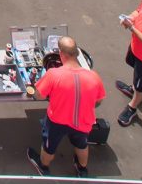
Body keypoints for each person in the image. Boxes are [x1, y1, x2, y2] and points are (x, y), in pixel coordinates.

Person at [28, 36, 105, 177]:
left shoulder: (53, 74)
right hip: (83, 121)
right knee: (81, 144)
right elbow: (98, 101)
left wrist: (33, 89)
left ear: (61, 54)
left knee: (49, 147)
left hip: (57, 121)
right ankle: (82, 169)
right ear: (77, 53)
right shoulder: (94, 76)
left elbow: (39, 95)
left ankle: (43, 166)